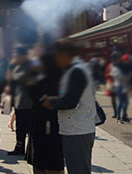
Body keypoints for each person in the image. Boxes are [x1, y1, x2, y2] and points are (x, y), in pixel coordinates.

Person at [42, 40, 95, 174]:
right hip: (74, 128)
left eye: (57, 56)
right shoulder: (74, 69)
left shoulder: (77, 71)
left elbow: (71, 102)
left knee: (79, 170)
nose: (56, 60)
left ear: (64, 54)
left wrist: (52, 103)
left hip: (76, 130)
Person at [26, 52, 64, 174]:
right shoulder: (41, 78)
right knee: (39, 158)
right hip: (39, 122)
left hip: (49, 123)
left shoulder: (54, 81)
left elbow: (43, 100)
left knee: (51, 158)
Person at [8, 45, 34, 156]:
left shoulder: (30, 66)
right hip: (20, 102)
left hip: (28, 103)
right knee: (20, 128)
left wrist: (12, 69)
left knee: (28, 128)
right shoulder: (19, 66)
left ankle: (30, 150)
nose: (15, 57)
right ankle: (19, 147)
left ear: (24, 55)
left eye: (17, 55)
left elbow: (19, 77)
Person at [112, 54, 132, 123]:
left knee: (126, 102)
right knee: (120, 102)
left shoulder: (123, 66)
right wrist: (126, 78)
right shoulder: (115, 67)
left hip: (124, 86)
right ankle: (118, 117)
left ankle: (124, 115)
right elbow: (120, 77)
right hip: (119, 86)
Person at [104, 53, 119, 119]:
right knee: (115, 100)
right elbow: (106, 74)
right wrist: (110, 75)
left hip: (118, 83)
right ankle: (116, 113)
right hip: (113, 84)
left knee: (120, 100)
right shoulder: (110, 66)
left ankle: (119, 113)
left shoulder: (118, 65)